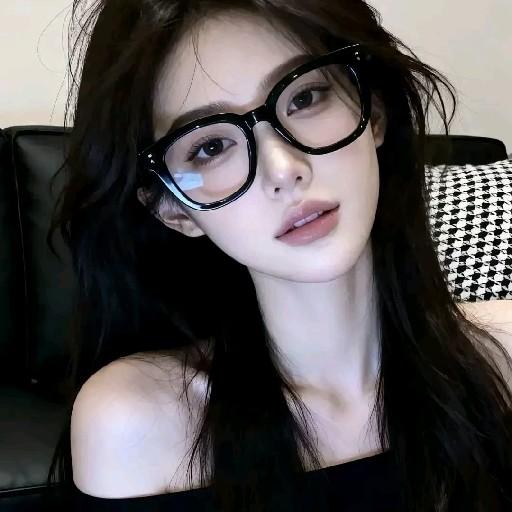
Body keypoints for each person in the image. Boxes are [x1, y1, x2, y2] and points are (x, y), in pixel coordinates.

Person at [43, 0, 512, 510]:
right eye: (210, 147)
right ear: (173, 208)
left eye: (305, 97)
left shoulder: (499, 357)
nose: (285, 168)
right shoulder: (136, 422)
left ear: (373, 111)